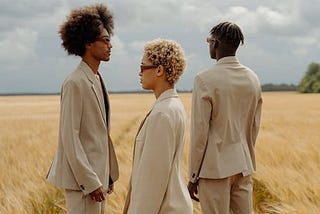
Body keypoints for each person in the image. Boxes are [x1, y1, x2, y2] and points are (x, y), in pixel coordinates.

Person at [46, 4, 119, 214]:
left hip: (98, 179)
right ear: (88, 42)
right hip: (84, 184)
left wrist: (107, 175)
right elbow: (70, 136)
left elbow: (98, 134)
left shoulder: (96, 78)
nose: (110, 45)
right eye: (105, 40)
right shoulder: (75, 82)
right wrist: (90, 181)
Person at [188, 22, 263, 214]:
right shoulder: (253, 78)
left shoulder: (204, 79)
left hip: (214, 170)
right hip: (243, 166)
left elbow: (199, 133)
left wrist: (193, 175)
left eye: (209, 40)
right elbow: (254, 127)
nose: (208, 45)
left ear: (216, 43)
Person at [123, 39, 193, 214]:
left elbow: (152, 179)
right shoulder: (173, 106)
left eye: (142, 67)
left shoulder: (162, 113)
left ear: (159, 70)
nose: (139, 73)